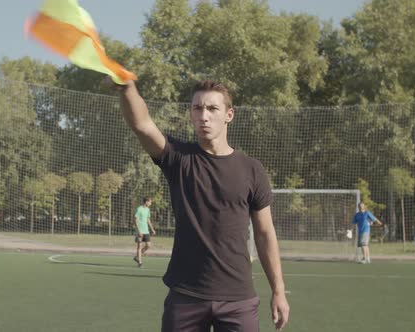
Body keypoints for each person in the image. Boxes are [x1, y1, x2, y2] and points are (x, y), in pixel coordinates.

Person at [115, 79, 289, 331]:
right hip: (186, 297)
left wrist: (279, 291)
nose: (204, 116)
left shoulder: (252, 170)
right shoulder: (178, 158)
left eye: (212, 109)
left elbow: (264, 233)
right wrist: (127, 89)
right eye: (197, 109)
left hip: (238, 299)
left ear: (229, 115)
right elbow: (142, 125)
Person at [134, 196, 156, 267]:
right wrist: (139, 231)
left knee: (148, 246)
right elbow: (135, 220)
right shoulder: (139, 209)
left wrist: (152, 229)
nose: (150, 203)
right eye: (150, 201)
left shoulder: (147, 210)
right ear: (146, 202)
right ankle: (140, 262)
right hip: (140, 231)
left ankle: (137, 257)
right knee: (139, 247)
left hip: (146, 231)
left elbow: (148, 220)